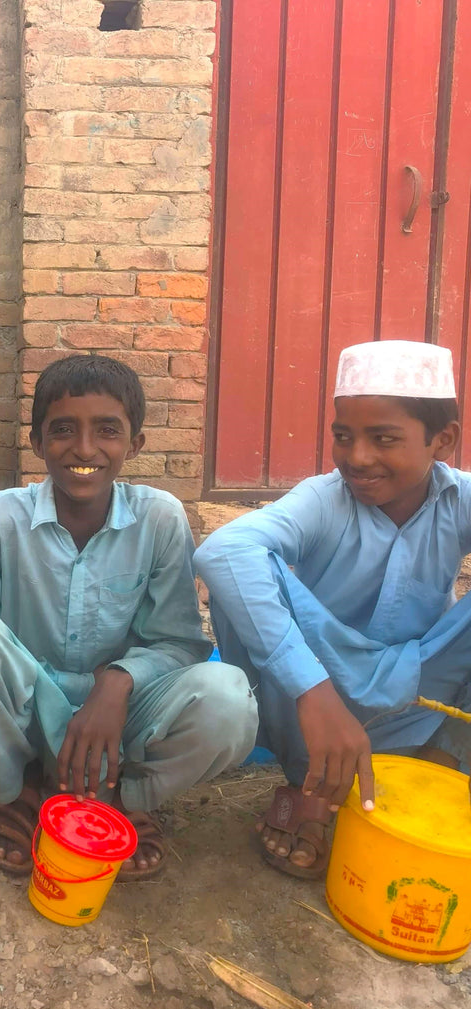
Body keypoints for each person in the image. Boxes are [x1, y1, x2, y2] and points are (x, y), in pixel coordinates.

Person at [0, 354, 257, 877]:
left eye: (107, 430)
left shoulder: (159, 519)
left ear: (135, 443)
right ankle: (20, 791)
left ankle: (122, 800)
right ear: (36, 443)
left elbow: (181, 643)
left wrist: (117, 684)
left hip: (122, 724)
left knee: (228, 697)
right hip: (30, 711)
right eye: (63, 430)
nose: (84, 449)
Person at [195, 340, 471, 880]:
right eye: (343, 436)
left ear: (444, 440)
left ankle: (442, 774)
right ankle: (311, 785)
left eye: (383, 439)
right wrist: (314, 692)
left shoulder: (459, 498)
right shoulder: (324, 498)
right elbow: (221, 551)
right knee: (246, 572)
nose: (357, 457)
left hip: (418, 693)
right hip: (316, 699)